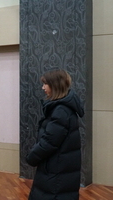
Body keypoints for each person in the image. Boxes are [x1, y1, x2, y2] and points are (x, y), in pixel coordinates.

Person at [26, 69, 84, 200]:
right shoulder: (63, 107)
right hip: (60, 167)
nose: (43, 88)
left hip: (56, 170)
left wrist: (31, 158)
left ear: (54, 85)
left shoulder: (61, 111)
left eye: (45, 84)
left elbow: (49, 142)